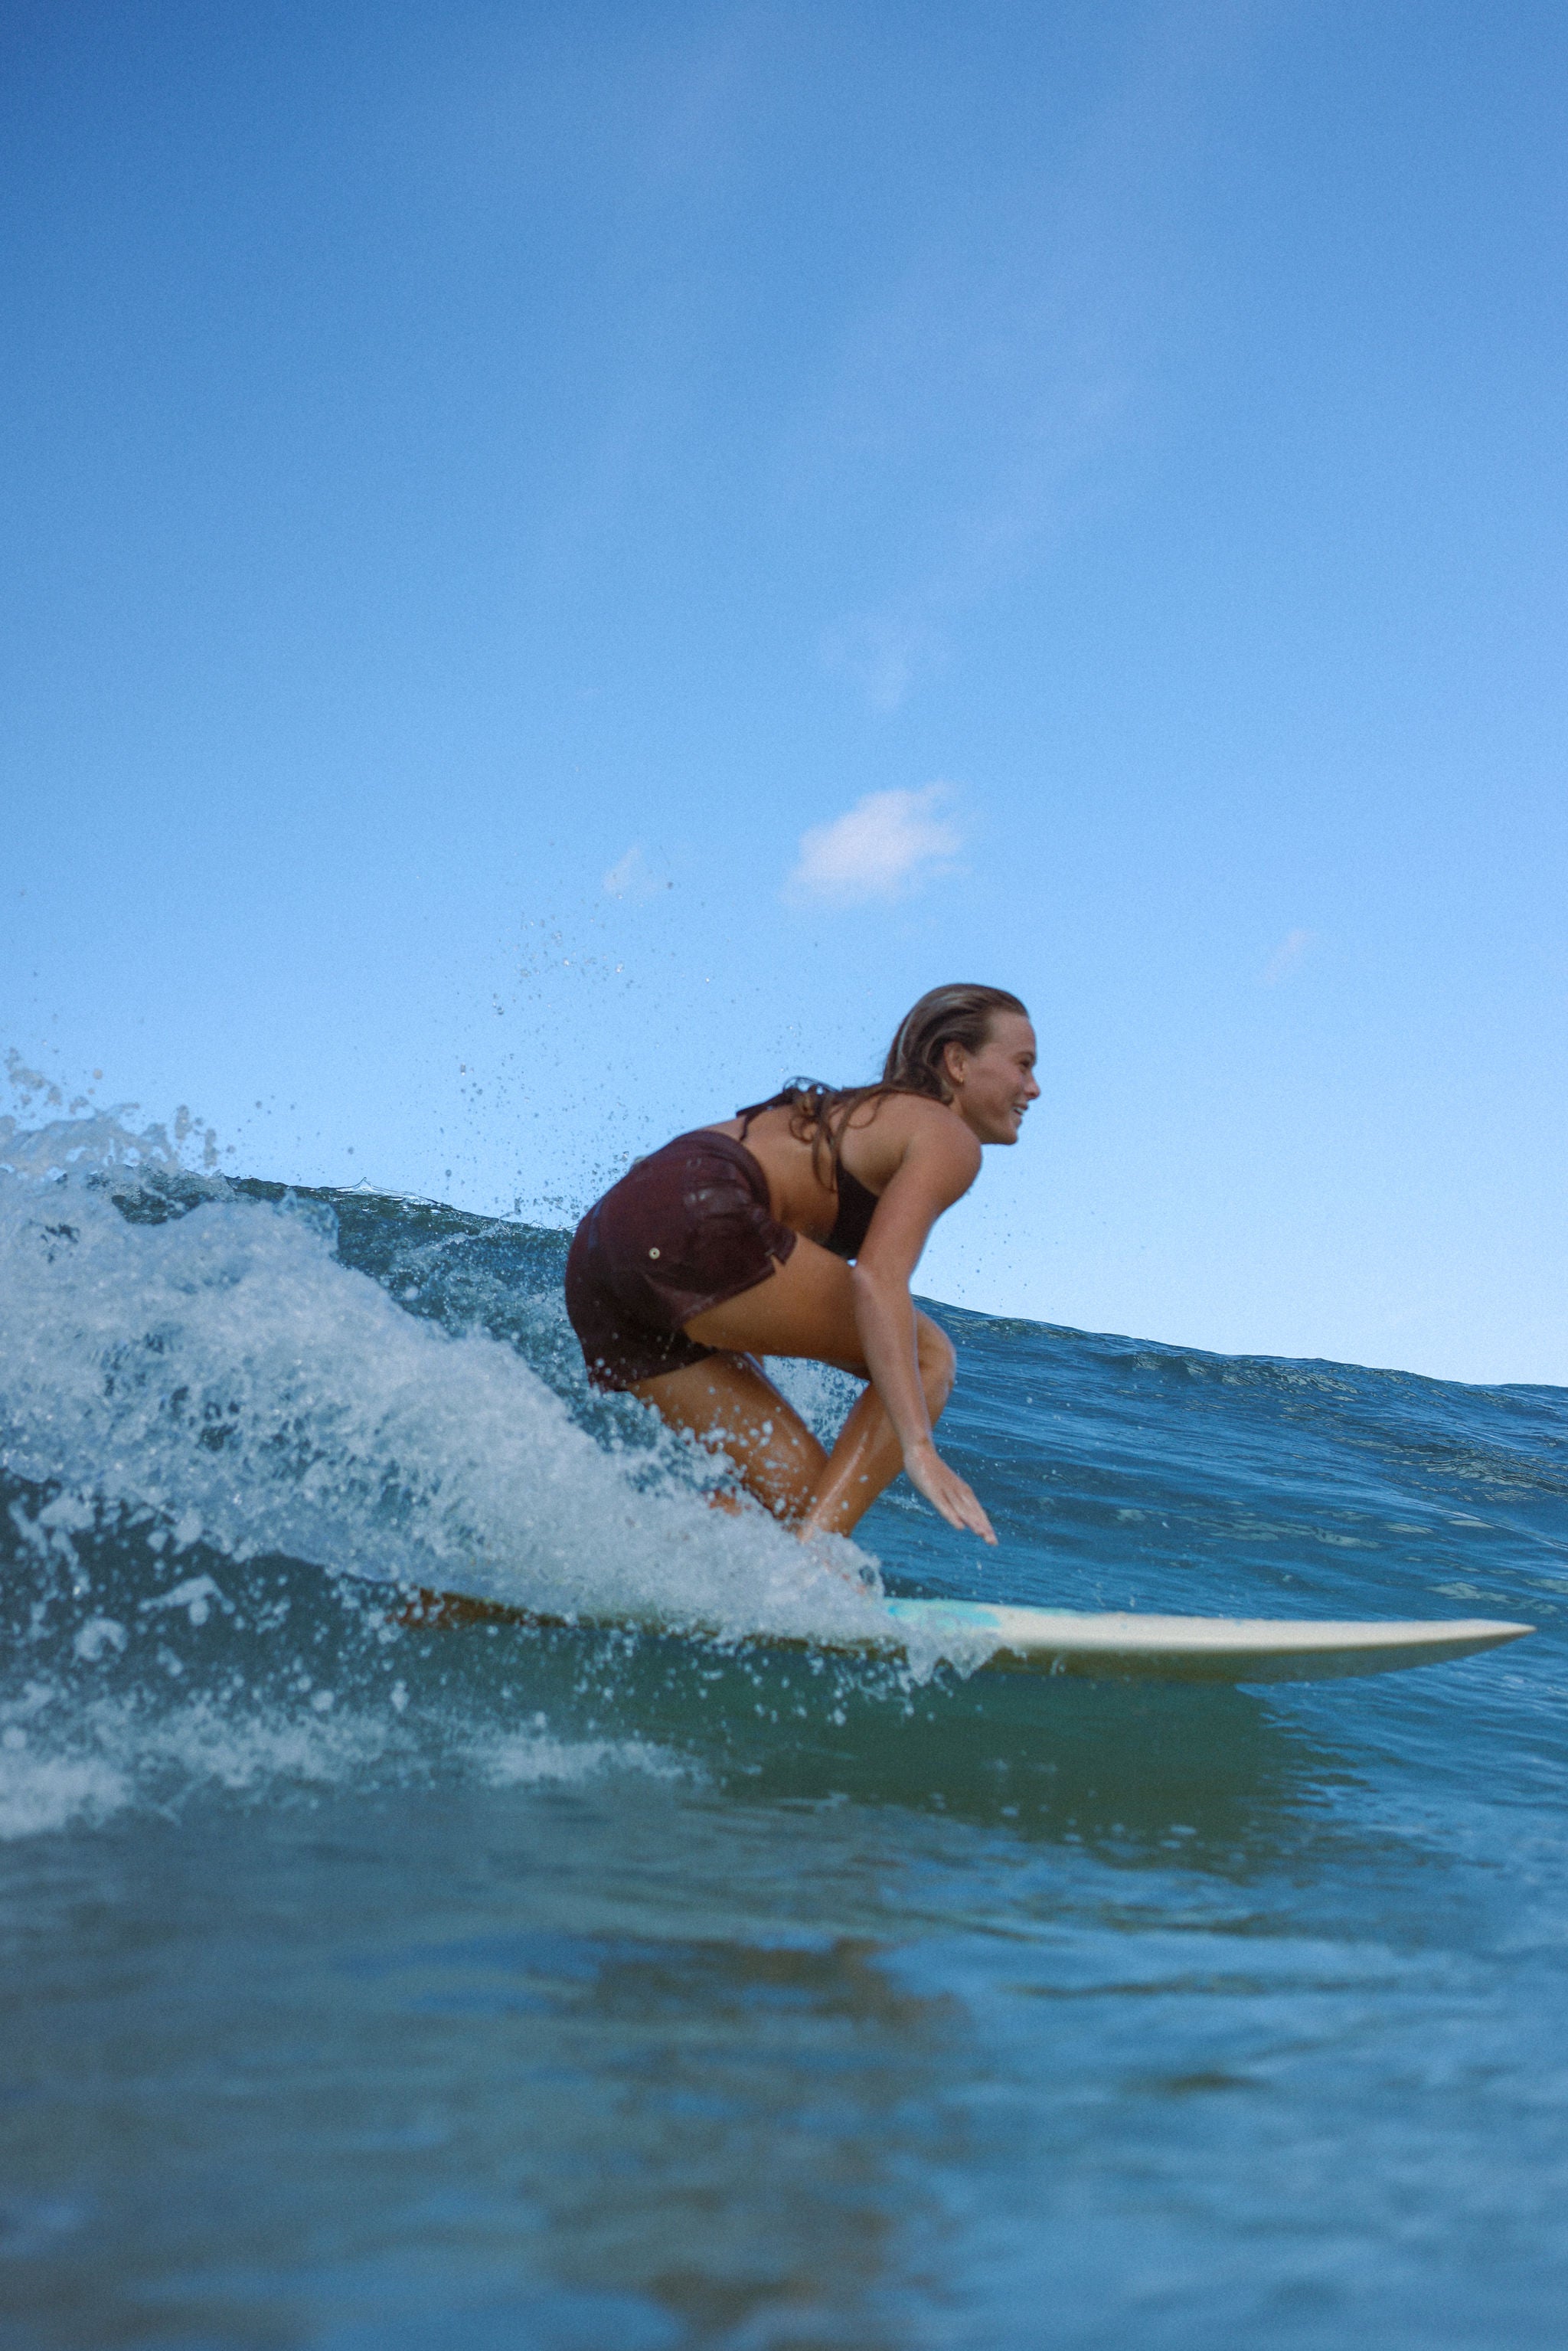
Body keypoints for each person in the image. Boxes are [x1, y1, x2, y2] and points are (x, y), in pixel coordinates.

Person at [564, 984, 1039, 1545]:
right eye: (1023, 1064)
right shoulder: (947, 1136)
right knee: (929, 1356)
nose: (1033, 1087)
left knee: (803, 1508)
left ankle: (603, 1546)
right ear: (957, 1062)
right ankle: (818, 1565)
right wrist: (918, 1448)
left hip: (602, 1253)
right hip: (696, 1210)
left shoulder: (862, 1116)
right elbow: (878, 1278)